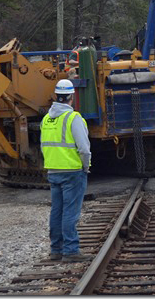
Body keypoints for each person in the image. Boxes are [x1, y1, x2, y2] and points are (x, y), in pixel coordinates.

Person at [40, 79, 92, 263]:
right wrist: (86, 167)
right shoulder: (73, 118)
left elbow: (43, 145)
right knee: (70, 211)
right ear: (72, 96)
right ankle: (70, 251)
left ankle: (56, 250)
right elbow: (84, 149)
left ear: (56, 96)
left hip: (53, 170)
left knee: (57, 211)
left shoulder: (46, 119)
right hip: (72, 171)